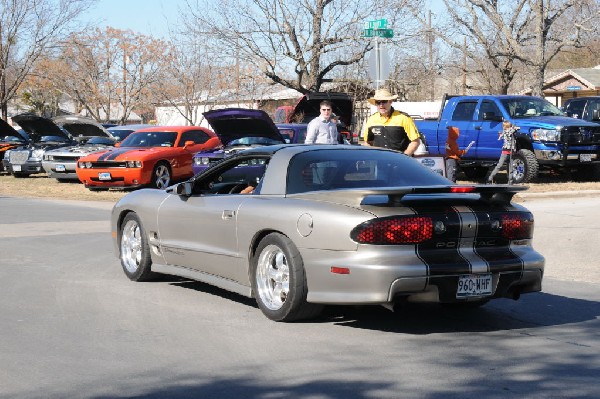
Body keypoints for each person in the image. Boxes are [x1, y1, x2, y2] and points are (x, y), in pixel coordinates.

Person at [362, 88, 421, 156]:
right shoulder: (371, 119)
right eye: (378, 102)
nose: (381, 105)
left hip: (400, 163)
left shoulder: (404, 118)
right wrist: (374, 156)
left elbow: (415, 141)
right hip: (380, 162)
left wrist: (404, 157)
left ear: (390, 101)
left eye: (384, 101)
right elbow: (367, 142)